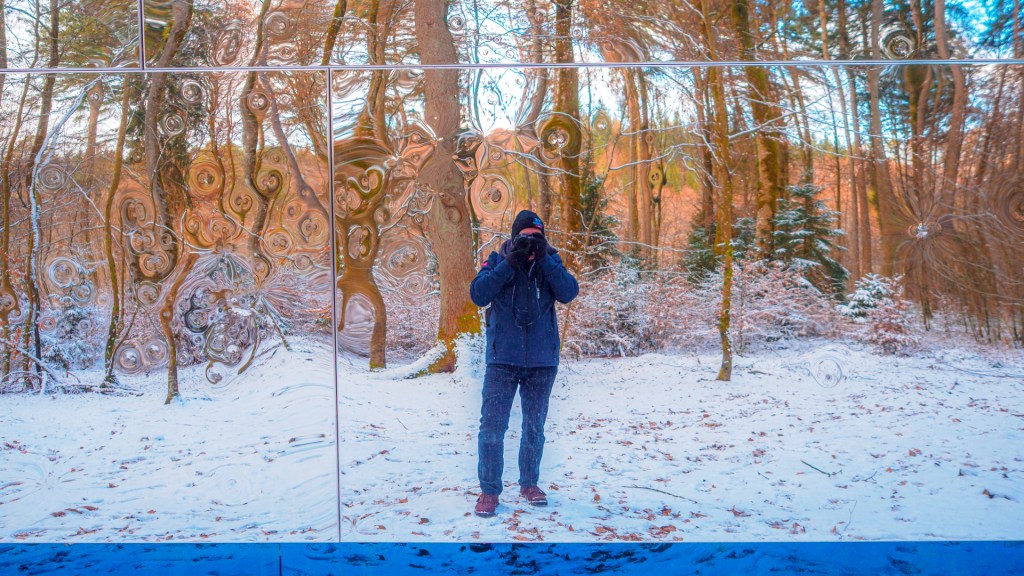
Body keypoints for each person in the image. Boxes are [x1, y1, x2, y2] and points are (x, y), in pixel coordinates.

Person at [468, 209, 580, 517]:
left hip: (542, 362)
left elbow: (569, 292)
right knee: (492, 427)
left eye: (537, 238)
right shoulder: (497, 260)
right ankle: (489, 491)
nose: (531, 244)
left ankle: (529, 484)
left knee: (534, 427)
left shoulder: (550, 261)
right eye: (525, 238)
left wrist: (545, 259)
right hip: (502, 359)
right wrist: (509, 263)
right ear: (514, 237)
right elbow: (478, 294)